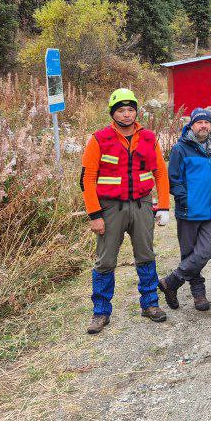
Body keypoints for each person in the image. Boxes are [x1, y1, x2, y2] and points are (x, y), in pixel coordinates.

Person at [81, 88, 170, 334]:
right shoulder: (99, 139)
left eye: (131, 109)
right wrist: (94, 215)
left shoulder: (150, 138)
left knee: (146, 255)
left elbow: (160, 173)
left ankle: (150, 304)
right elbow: (87, 179)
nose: (127, 114)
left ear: (136, 112)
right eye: (121, 110)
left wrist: (163, 206)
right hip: (110, 208)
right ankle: (100, 312)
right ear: (113, 113)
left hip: (142, 205)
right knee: (105, 260)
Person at [158, 108, 211, 312]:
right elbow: (174, 180)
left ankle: (172, 282)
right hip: (188, 211)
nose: (203, 125)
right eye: (199, 122)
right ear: (191, 125)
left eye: (206, 122)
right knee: (189, 254)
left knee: (205, 252)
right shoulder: (180, 149)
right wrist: (186, 198)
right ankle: (199, 294)